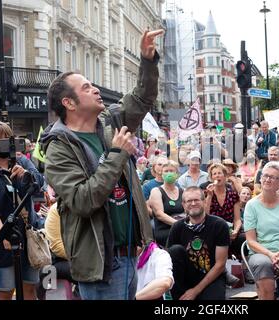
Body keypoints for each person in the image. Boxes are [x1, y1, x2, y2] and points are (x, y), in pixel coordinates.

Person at [41, 29, 164, 300]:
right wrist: (117, 154)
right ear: (69, 103)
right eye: (86, 87)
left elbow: (143, 98)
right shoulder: (59, 148)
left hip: (132, 255)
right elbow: (83, 200)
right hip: (102, 264)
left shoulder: (111, 121)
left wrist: (147, 60)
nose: (95, 88)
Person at [0, 121, 45, 300]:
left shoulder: (21, 160)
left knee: (29, 288)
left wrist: (26, 175)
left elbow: (39, 183)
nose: (5, 142)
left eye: (8, 138)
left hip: (28, 236)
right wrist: (4, 234)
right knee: (6, 289)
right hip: (2, 241)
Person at [244, 161, 279, 300]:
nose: (267, 179)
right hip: (261, 251)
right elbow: (250, 240)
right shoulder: (251, 205)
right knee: (263, 264)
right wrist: (270, 254)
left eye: (273, 177)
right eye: (265, 176)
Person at [167, 187, 229, 300]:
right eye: (189, 201)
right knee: (175, 250)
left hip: (212, 276)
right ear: (183, 204)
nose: (193, 203)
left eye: (197, 200)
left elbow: (220, 264)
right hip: (185, 277)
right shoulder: (177, 227)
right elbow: (169, 262)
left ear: (204, 202)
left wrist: (195, 291)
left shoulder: (219, 225)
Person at [204, 163, 243, 258]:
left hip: (229, 229)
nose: (217, 175)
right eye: (214, 174)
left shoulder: (233, 195)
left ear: (225, 176)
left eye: (219, 173)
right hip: (213, 228)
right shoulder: (207, 193)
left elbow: (237, 219)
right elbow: (205, 215)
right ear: (211, 178)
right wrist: (209, 196)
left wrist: (236, 230)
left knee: (242, 238)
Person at [148, 160, 184, 247]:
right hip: (165, 230)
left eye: (171, 171)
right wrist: (178, 224)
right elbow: (159, 214)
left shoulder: (182, 191)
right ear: (162, 174)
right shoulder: (156, 191)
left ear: (177, 174)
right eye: (166, 171)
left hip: (182, 227)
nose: (169, 173)